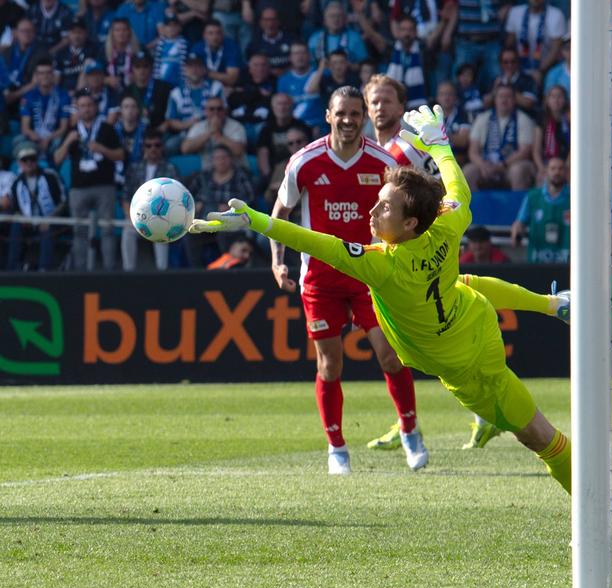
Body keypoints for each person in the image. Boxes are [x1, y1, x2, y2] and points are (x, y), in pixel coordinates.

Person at [191, 105, 572, 494]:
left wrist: (255, 221)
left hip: (468, 370)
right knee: (459, 282)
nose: (371, 210)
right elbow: (460, 190)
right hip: (474, 320)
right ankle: (554, 305)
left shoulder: (382, 265)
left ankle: (592, 502)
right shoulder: (445, 224)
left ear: (410, 223)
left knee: (540, 439)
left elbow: (318, 243)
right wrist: (440, 146)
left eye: (384, 207)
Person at [363, 74, 568, 451]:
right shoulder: (373, 150)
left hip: (416, 245)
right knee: (454, 298)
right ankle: (551, 307)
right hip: (398, 244)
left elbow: (441, 187)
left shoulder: (405, 149)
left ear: (400, 105)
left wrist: (439, 151)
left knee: (434, 333)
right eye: (373, 101)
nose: (379, 107)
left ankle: (421, 423)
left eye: (387, 100)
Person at [268, 86, 427, 475]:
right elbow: (280, 213)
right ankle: (336, 447)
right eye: (341, 113)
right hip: (320, 278)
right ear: (329, 116)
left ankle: (409, 431)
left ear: (363, 117)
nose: (348, 120)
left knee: (390, 355)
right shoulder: (304, 162)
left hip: (369, 275)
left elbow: (406, 211)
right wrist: (277, 261)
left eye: (356, 113)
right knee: (330, 364)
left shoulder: (382, 162)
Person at [53, 89, 124, 271]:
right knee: (79, 232)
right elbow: (57, 159)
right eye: (82, 106)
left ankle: (109, 271)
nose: (86, 109)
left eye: (89, 105)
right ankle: (81, 272)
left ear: (96, 107)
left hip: (104, 186)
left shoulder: (107, 128)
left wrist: (102, 149)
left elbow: (120, 155)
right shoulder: (72, 131)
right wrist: (68, 142)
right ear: (77, 109)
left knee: (107, 229)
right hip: (78, 188)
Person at [121, 128, 179, 270]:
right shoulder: (134, 168)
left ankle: (162, 273)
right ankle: (128, 273)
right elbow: (126, 196)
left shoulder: (170, 168)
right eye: (149, 145)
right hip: (138, 216)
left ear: (162, 147)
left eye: (157, 145)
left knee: (161, 231)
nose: (153, 149)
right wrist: (131, 217)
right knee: (127, 231)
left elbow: (176, 198)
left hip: (162, 216)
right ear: (144, 148)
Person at [188, 143, 255, 266]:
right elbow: (188, 196)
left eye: (224, 157)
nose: (221, 161)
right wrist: (195, 205)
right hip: (205, 219)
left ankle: (225, 269)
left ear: (230, 159)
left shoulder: (240, 176)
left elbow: (250, 198)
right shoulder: (203, 177)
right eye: (217, 158)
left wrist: (232, 208)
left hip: (230, 221)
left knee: (225, 235)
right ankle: (197, 271)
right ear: (212, 161)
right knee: (190, 232)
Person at [464, 83, 536, 191]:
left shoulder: (524, 119)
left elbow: (524, 151)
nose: (504, 100)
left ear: (514, 100)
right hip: (486, 165)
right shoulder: (482, 118)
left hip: (511, 165)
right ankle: (471, 203)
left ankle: (517, 203)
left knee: (517, 171)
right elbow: (473, 151)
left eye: (508, 96)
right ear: (495, 99)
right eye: (501, 96)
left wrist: (503, 165)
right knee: (468, 171)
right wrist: (483, 165)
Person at [7, 143, 66, 271]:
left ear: (37, 160)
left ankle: (44, 269)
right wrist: (22, 219)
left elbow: (63, 202)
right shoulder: (16, 183)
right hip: (28, 223)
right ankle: (14, 268)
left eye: (32, 159)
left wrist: (50, 219)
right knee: (16, 226)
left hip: (51, 220)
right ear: (19, 163)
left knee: (48, 229)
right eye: (25, 160)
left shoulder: (50, 176)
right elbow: (15, 209)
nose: (29, 162)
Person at [511, 156, 570, 263]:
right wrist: (517, 230)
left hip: (566, 262)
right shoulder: (533, 196)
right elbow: (520, 221)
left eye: (560, 169)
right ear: (546, 172)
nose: (557, 172)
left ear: (566, 172)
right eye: (553, 168)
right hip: (538, 261)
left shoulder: (574, 197)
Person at [19, 59, 71, 163]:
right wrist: (36, 137)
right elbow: (25, 128)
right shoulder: (28, 96)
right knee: (19, 141)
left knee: (61, 143)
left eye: (48, 73)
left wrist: (48, 139)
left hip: (54, 138)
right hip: (34, 138)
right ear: (36, 76)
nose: (45, 76)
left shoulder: (63, 96)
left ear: (53, 75)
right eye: (41, 73)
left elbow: (63, 128)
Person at [504, 0, 567, 86]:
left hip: (547, 68)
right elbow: (509, 46)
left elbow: (556, 50)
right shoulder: (515, 12)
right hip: (519, 66)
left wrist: (540, 71)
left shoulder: (556, 15)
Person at [181, 96, 247, 170]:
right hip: (209, 171)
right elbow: (185, 149)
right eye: (211, 109)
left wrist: (218, 134)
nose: (216, 112)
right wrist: (210, 132)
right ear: (205, 111)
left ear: (225, 111)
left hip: (235, 170)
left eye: (219, 109)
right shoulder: (198, 127)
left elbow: (238, 151)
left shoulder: (236, 126)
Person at [385, 14, 428, 110]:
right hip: (394, 103)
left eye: (410, 30)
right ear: (398, 32)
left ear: (416, 32)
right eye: (403, 29)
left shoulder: (423, 51)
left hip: (417, 105)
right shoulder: (391, 50)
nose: (407, 33)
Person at [191, 19, 241, 91]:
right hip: (203, 87)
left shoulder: (231, 47)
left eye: (218, 33)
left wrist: (205, 72)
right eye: (210, 33)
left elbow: (232, 79)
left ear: (223, 34)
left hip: (226, 88)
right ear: (204, 35)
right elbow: (192, 74)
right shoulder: (197, 47)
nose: (215, 37)